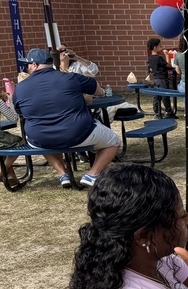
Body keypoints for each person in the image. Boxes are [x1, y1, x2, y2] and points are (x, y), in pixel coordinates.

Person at [12, 48, 121, 189]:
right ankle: (92, 174)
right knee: (113, 141)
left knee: (44, 140)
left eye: (27, 65)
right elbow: (98, 90)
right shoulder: (70, 77)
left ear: (34, 65)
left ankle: (62, 173)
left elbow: (20, 112)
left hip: (39, 137)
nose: (26, 68)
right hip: (77, 133)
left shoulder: (20, 88)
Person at [147, 37, 177, 119]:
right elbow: (169, 65)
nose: (162, 48)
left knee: (156, 96)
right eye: (160, 46)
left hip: (155, 79)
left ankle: (156, 112)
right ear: (154, 47)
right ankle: (168, 111)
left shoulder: (150, 58)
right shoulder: (158, 58)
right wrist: (167, 55)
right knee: (165, 95)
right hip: (162, 79)